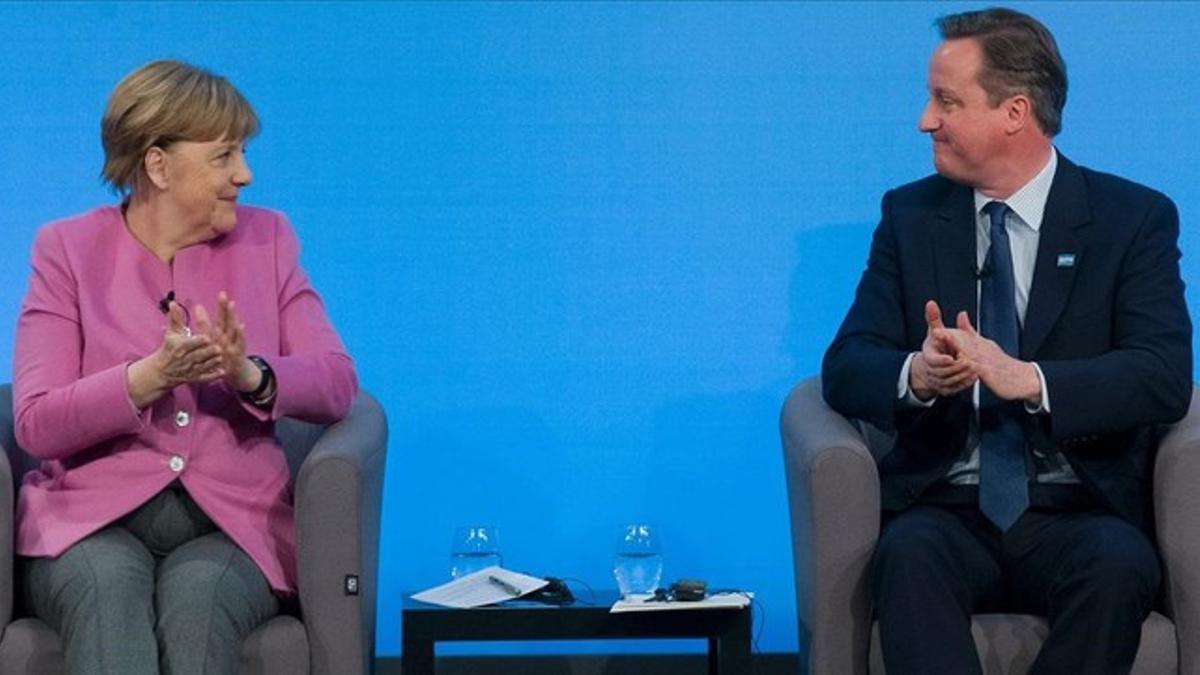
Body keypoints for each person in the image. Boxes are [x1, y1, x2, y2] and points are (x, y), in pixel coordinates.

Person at [821, 8, 1191, 674]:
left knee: (1117, 567)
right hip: (947, 508)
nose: (924, 120)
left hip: (1077, 507)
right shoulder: (910, 217)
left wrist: (1032, 379)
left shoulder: (1130, 220)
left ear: (1014, 112)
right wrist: (917, 373)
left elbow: (1163, 373)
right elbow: (846, 367)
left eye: (946, 101)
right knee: (904, 558)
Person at [12, 60, 358, 674]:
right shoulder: (65, 250)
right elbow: (36, 422)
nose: (245, 175)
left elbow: (335, 381)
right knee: (106, 588)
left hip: (231, 521)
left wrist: (251, 374)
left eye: (243, 154)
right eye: (224, 156)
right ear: (158, 164)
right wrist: (150, 377)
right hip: (88, 518)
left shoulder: (269, 240)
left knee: (200, 598)